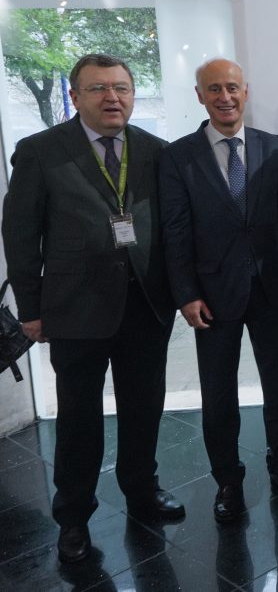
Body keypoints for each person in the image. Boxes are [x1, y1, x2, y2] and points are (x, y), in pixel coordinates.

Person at [1, 53, 184, 563]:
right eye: (99, 88)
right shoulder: (40, 151)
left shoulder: (156, 151)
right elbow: (20, 235)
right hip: (74, 309)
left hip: (144, 305)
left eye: (121, 88)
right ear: (75, 96)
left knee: (144, 408)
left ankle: (142, 492)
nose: (112, 98)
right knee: (79, 419)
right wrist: (30, 309)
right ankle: (74, 516)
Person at [159, 59, 278, 522]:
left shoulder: (270, 145)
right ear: (199, 96)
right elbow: (175, 232)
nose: (224, 97)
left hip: (272, 286)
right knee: (219, 392)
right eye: (214, 89)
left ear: (245, 92)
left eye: (232, 87)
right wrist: (186, 294)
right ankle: (227, 478)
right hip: (212, 294)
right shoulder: (178, 156)